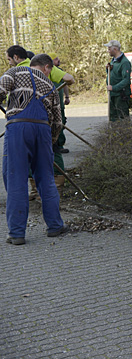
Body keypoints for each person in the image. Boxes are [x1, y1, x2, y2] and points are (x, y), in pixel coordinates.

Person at [1, 54, 69, 245]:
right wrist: (51, 140)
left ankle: (16, 233)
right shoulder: (51, 88)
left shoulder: (15, 71)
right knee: (46, 179)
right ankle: (55, 226)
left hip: (18, 129)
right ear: (46, 68)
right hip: (43, 131)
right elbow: (57, 121)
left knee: (16, 179)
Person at [6, 46, 75, 199]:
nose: (9, 63)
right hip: (45, 121)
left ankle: (35, 191)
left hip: (23, 122)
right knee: (52, 151)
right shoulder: (38, 67)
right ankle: (50, 191)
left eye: (9, 59)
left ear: (16, 58)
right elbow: (70, 79)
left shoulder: (17, 71)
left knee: (26, 157)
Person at [105, 40, 131, 121]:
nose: (108, 51)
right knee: (113, 118)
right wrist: (108, 69)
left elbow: (126, 80)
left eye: (109, 49)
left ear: (115, 49)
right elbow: (114, 74)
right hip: (112, 95)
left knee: (122, 119)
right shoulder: (113, 60)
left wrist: (113, 88)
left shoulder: (124, 62)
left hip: (121, 96)